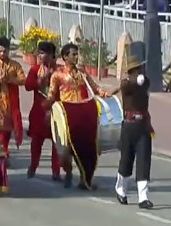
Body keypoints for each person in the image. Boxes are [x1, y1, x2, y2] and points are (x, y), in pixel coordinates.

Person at [47, 42, 110, 190]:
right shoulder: (57, 75)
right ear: (65, 57)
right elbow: (51, 95)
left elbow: (94, 87)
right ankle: (68, 173)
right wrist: (48, 107)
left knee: (86, 148)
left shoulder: (82, 73)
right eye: (73, 54)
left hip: (82, 115)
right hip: (66, 118)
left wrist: (105, 94)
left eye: (77, 54)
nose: (76, 57)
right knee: (64, 152)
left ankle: (84, 179)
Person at [115, 41, 154, 210]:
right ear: (133, 70)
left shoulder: (144, 81)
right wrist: (133, 79)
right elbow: (127, 85)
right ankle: (121, 190)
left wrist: (139, 78)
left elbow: (144, 82)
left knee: (144, 160)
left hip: (143, 126)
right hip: (129, 126)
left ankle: (143, 197)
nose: (142, 70)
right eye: (139, 68)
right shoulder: (126, 85)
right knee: (126, 160)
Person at [24, 41, 60, 180]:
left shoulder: (59, 72)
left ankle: (56, 172)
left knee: (57, 143)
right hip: (38, 112)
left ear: (51, 55)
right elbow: (27, 86)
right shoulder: (35, 70)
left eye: (43, 53)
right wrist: (40, 80)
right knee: (36, 143)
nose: (39, 56)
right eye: (38, 52)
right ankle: (33, 166)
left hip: (55, 112)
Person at [0, 37, 24, 157]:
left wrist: (10, 79)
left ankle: (4, 152)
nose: (3, 54)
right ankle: (0, 154)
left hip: (10, 104)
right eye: (0, 51)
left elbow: (23, 80)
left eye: (5, 51)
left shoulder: (15, 66)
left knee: (7, 131)